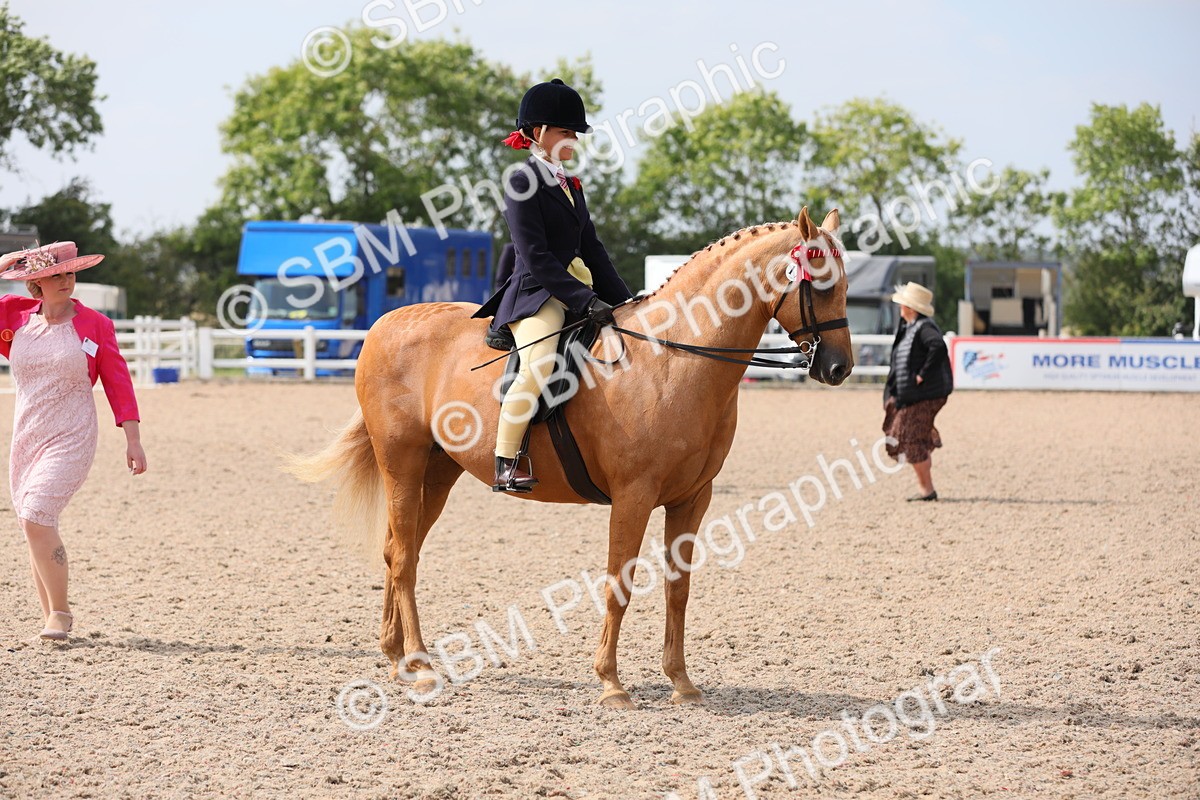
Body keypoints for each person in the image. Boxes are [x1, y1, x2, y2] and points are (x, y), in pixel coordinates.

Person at [473, 78, 633, 493]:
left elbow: (593, 250)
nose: (572, 142)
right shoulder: (520, 181)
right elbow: (537, 256)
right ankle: (506, 461)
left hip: (576, 288)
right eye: (565, 133)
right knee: (540, 364)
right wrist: (584, 298)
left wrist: (628, 302)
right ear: (537, 133)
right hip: (537, 294)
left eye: (574, 135)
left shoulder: (571, 185)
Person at [0, 242, 146, 640]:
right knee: (32, 524)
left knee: (36, 512)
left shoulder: (96, 324)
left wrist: (132, 439)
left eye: (69, 273)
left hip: (73, 434)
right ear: (36, 283)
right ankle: (49, 614)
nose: (65, 281)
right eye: (55, 275)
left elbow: (118, 381)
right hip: (27, 435)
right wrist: (3, 264)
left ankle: (61, 614)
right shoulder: (13, 316)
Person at [883, 282, 952, 501]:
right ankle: (927, 445)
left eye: (903, 304)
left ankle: (927, 490)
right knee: (909, 436)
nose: (900, 307)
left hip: (924, 395)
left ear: (911, 308)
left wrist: (921, 375)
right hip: (916, 394)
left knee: (909, 438)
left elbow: (938, 347)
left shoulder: (923, 327)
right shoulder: (911, 327)